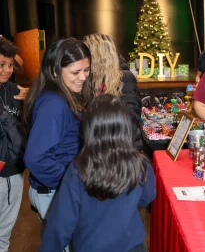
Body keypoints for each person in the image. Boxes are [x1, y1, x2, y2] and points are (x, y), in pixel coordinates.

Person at [39, 94, 156, 252]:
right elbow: (146, 198)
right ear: (125, 126)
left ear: (89, 128)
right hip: (132, 246)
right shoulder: (140, 164)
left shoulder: (78, 169)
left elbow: (60, 224)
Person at [23, 38, 91, 238]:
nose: (83, 77)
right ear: (54, 71)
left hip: (58, 190)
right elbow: (36, 158)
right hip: (55, 192)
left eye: (86, 70)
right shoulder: (54, 104)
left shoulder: (63, 95)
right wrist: (71, 183)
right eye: (75, 72)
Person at [83, 33, 143, 150]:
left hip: (122, 150)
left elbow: (131, 122)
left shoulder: (124, 79)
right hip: (97, 149)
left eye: (86, 54)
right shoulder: (89, 80)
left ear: (97, 57)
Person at [0, 37, 26, 251]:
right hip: (4, 176)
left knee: (3, 235)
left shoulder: (12, 90)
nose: (7, 69)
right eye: (1, 65)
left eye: (9, 65)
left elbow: (20, 62)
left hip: (12, 173)